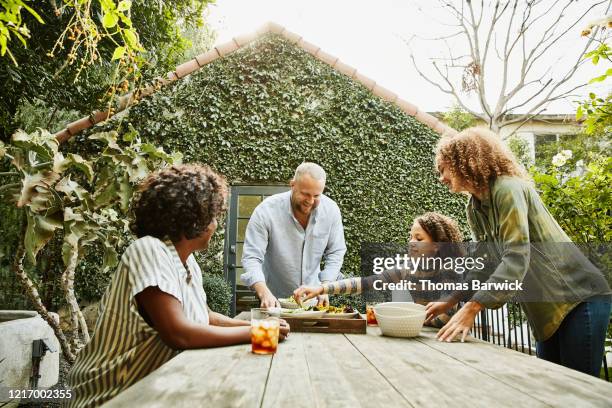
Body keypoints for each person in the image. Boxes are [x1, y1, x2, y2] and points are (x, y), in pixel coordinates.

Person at [67, 164, 290, 407]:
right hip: (112, 396)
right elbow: (178, 333)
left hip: (155, 392)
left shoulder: (187, 262)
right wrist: (258, 333)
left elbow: (205, 317)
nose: (216, 225)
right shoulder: (149, 250)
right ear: (193, 220)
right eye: (213, 217)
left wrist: (260, 324)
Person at [428, 127, 611, 377]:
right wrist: (450, 300)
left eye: (444, 168)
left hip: (579, 298)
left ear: (464, 161)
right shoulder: (475, 206)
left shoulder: (508, 189)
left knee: (577, 390)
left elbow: (515, 257)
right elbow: (482, 263)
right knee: (550, 388)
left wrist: (472, 308)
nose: (441, 177)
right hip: (547, 309)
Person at [293, 212, 464, 328]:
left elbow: (445, 318)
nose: (411, 242)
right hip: (422, 336)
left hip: (451, 341)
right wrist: (321, 288)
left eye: (418, 238)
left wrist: (403, 317)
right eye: (410, 236)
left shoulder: (449, 269)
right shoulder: (408, 270)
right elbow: (365, 283)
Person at [241, 162, 347, 308]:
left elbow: (336, 252)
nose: (310, 201)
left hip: (314, 300)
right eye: (305, 194)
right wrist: (263, 292)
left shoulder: (331, 210)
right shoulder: (266, 211)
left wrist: (326, 286)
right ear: (292, 185)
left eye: (316, 195)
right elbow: (251, 257)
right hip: (273, 300)